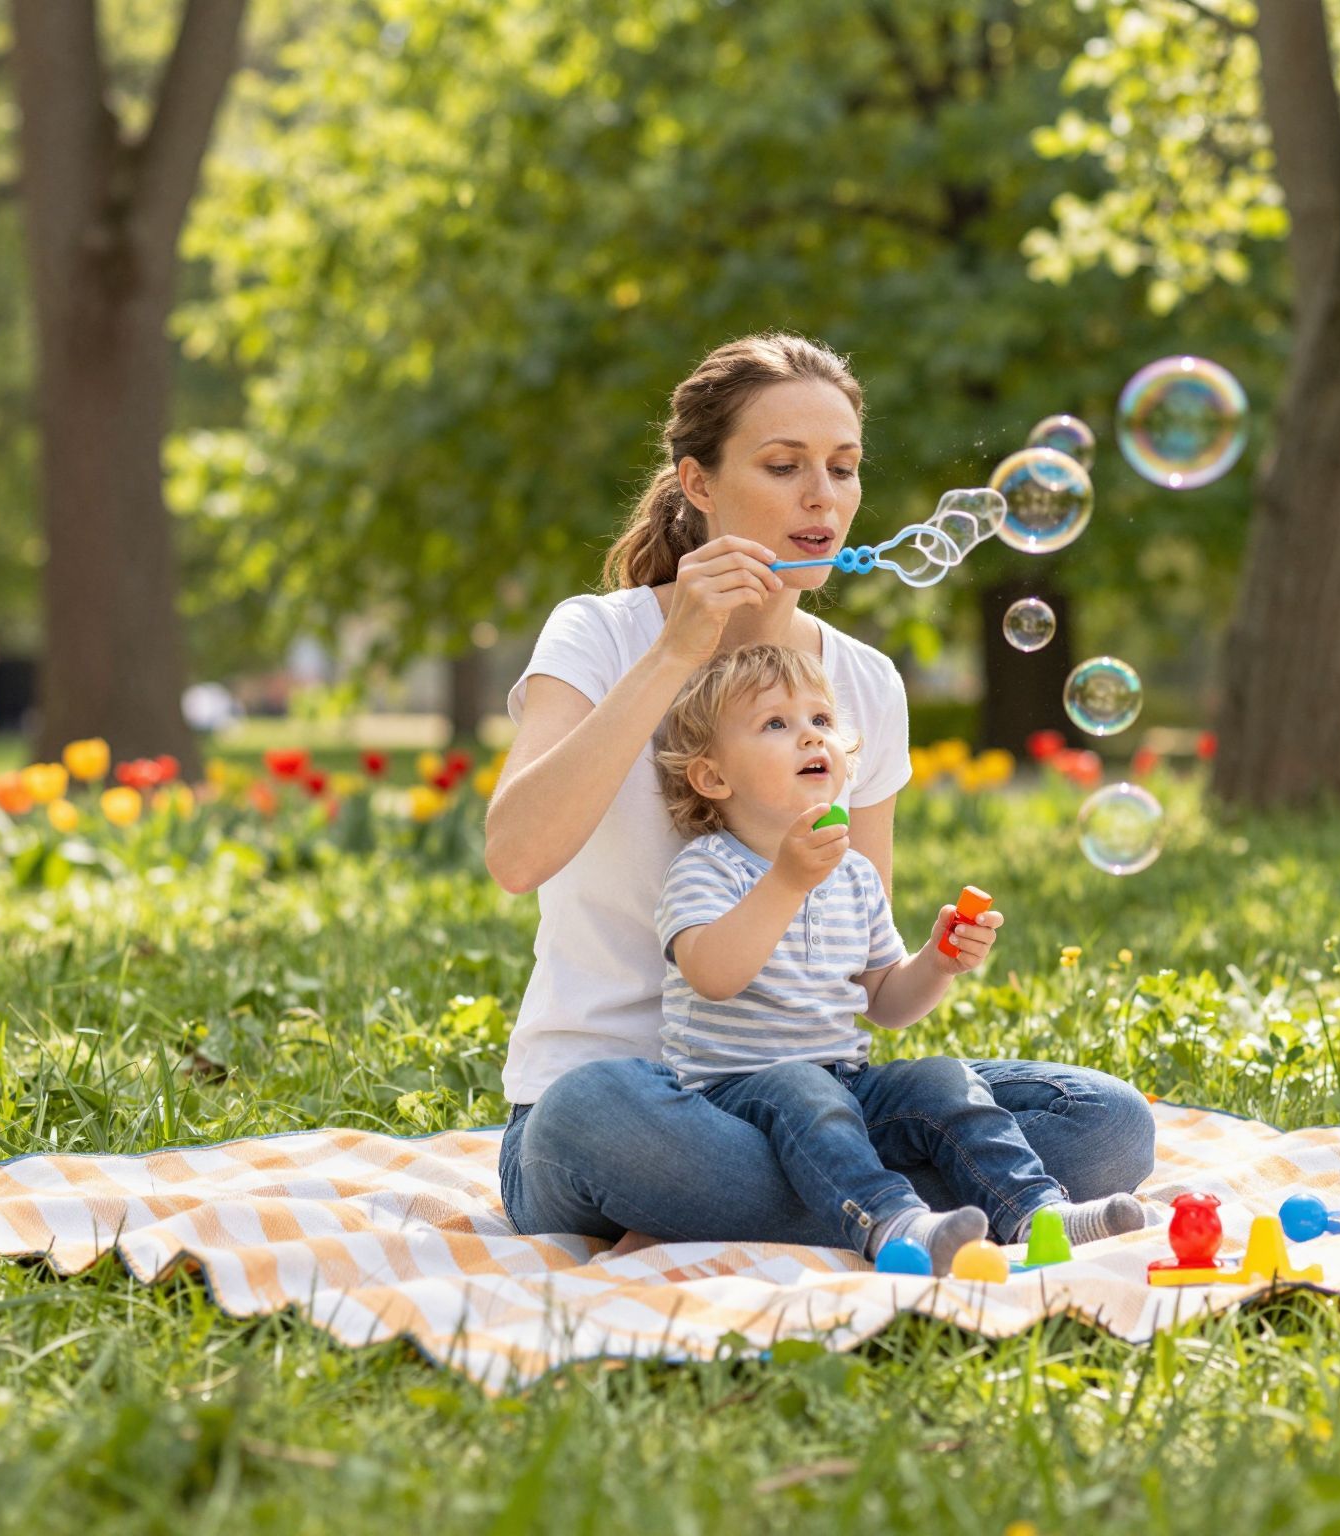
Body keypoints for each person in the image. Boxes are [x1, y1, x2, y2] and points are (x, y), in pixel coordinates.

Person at [485, 332, 1156, 1247]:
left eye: (843, 469)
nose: (823, 498)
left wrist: (933, 962)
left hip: (811, 1093)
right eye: (783, 465)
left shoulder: (866, 683)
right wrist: (678, 647)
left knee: (1108, 1121)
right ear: (699, 483)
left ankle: (856, 1210)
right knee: (593, 1111)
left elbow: (861, 972)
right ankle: (902, 1204)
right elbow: (516, 856)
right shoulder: (598, 636)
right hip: (627, 1104)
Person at [650, 642, 1148, 1270]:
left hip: (845, 1086)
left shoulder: (852, 873)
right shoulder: (705, 867)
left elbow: (884, 1003)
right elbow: (713, 975)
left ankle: (1035, 1212)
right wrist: (786, 881)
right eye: (777, 724)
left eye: (821, 721)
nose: (810, 738)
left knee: (940, 1078)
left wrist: (935, 963)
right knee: (803, 1086)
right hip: (731, 1103)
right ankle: (895, 1223)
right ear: (713, 776)